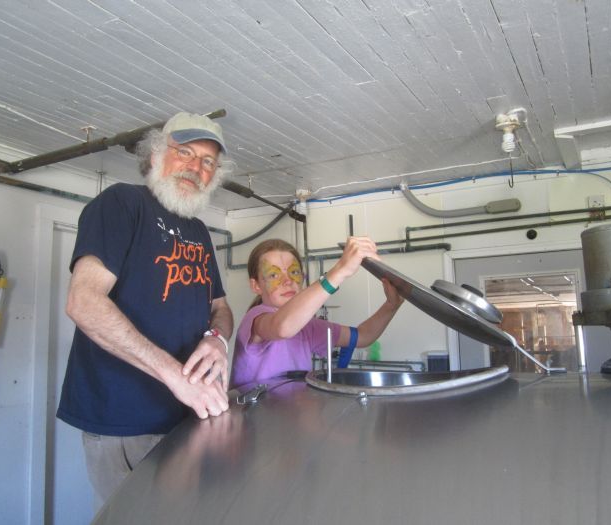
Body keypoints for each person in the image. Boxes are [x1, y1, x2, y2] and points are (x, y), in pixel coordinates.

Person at [56, 112, 233, 509]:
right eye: (184, 152)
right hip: (123, 421)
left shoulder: (199, 232)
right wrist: (176, 376)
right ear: (155, 156)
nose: (195, 167)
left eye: (207, 161)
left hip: (185, 415)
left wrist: (218, 340)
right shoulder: (121, 203)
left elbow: (220, 307)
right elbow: (83, 302)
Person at [230, 237, 404, 388]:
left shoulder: (307, 326)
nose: (288, 281)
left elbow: (363, 336)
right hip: (253, 415)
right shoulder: (256, 317)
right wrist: (339, 271)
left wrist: (391, 305)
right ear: (256, 286)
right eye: (274, 275)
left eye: (294, 272)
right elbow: (282, 328)